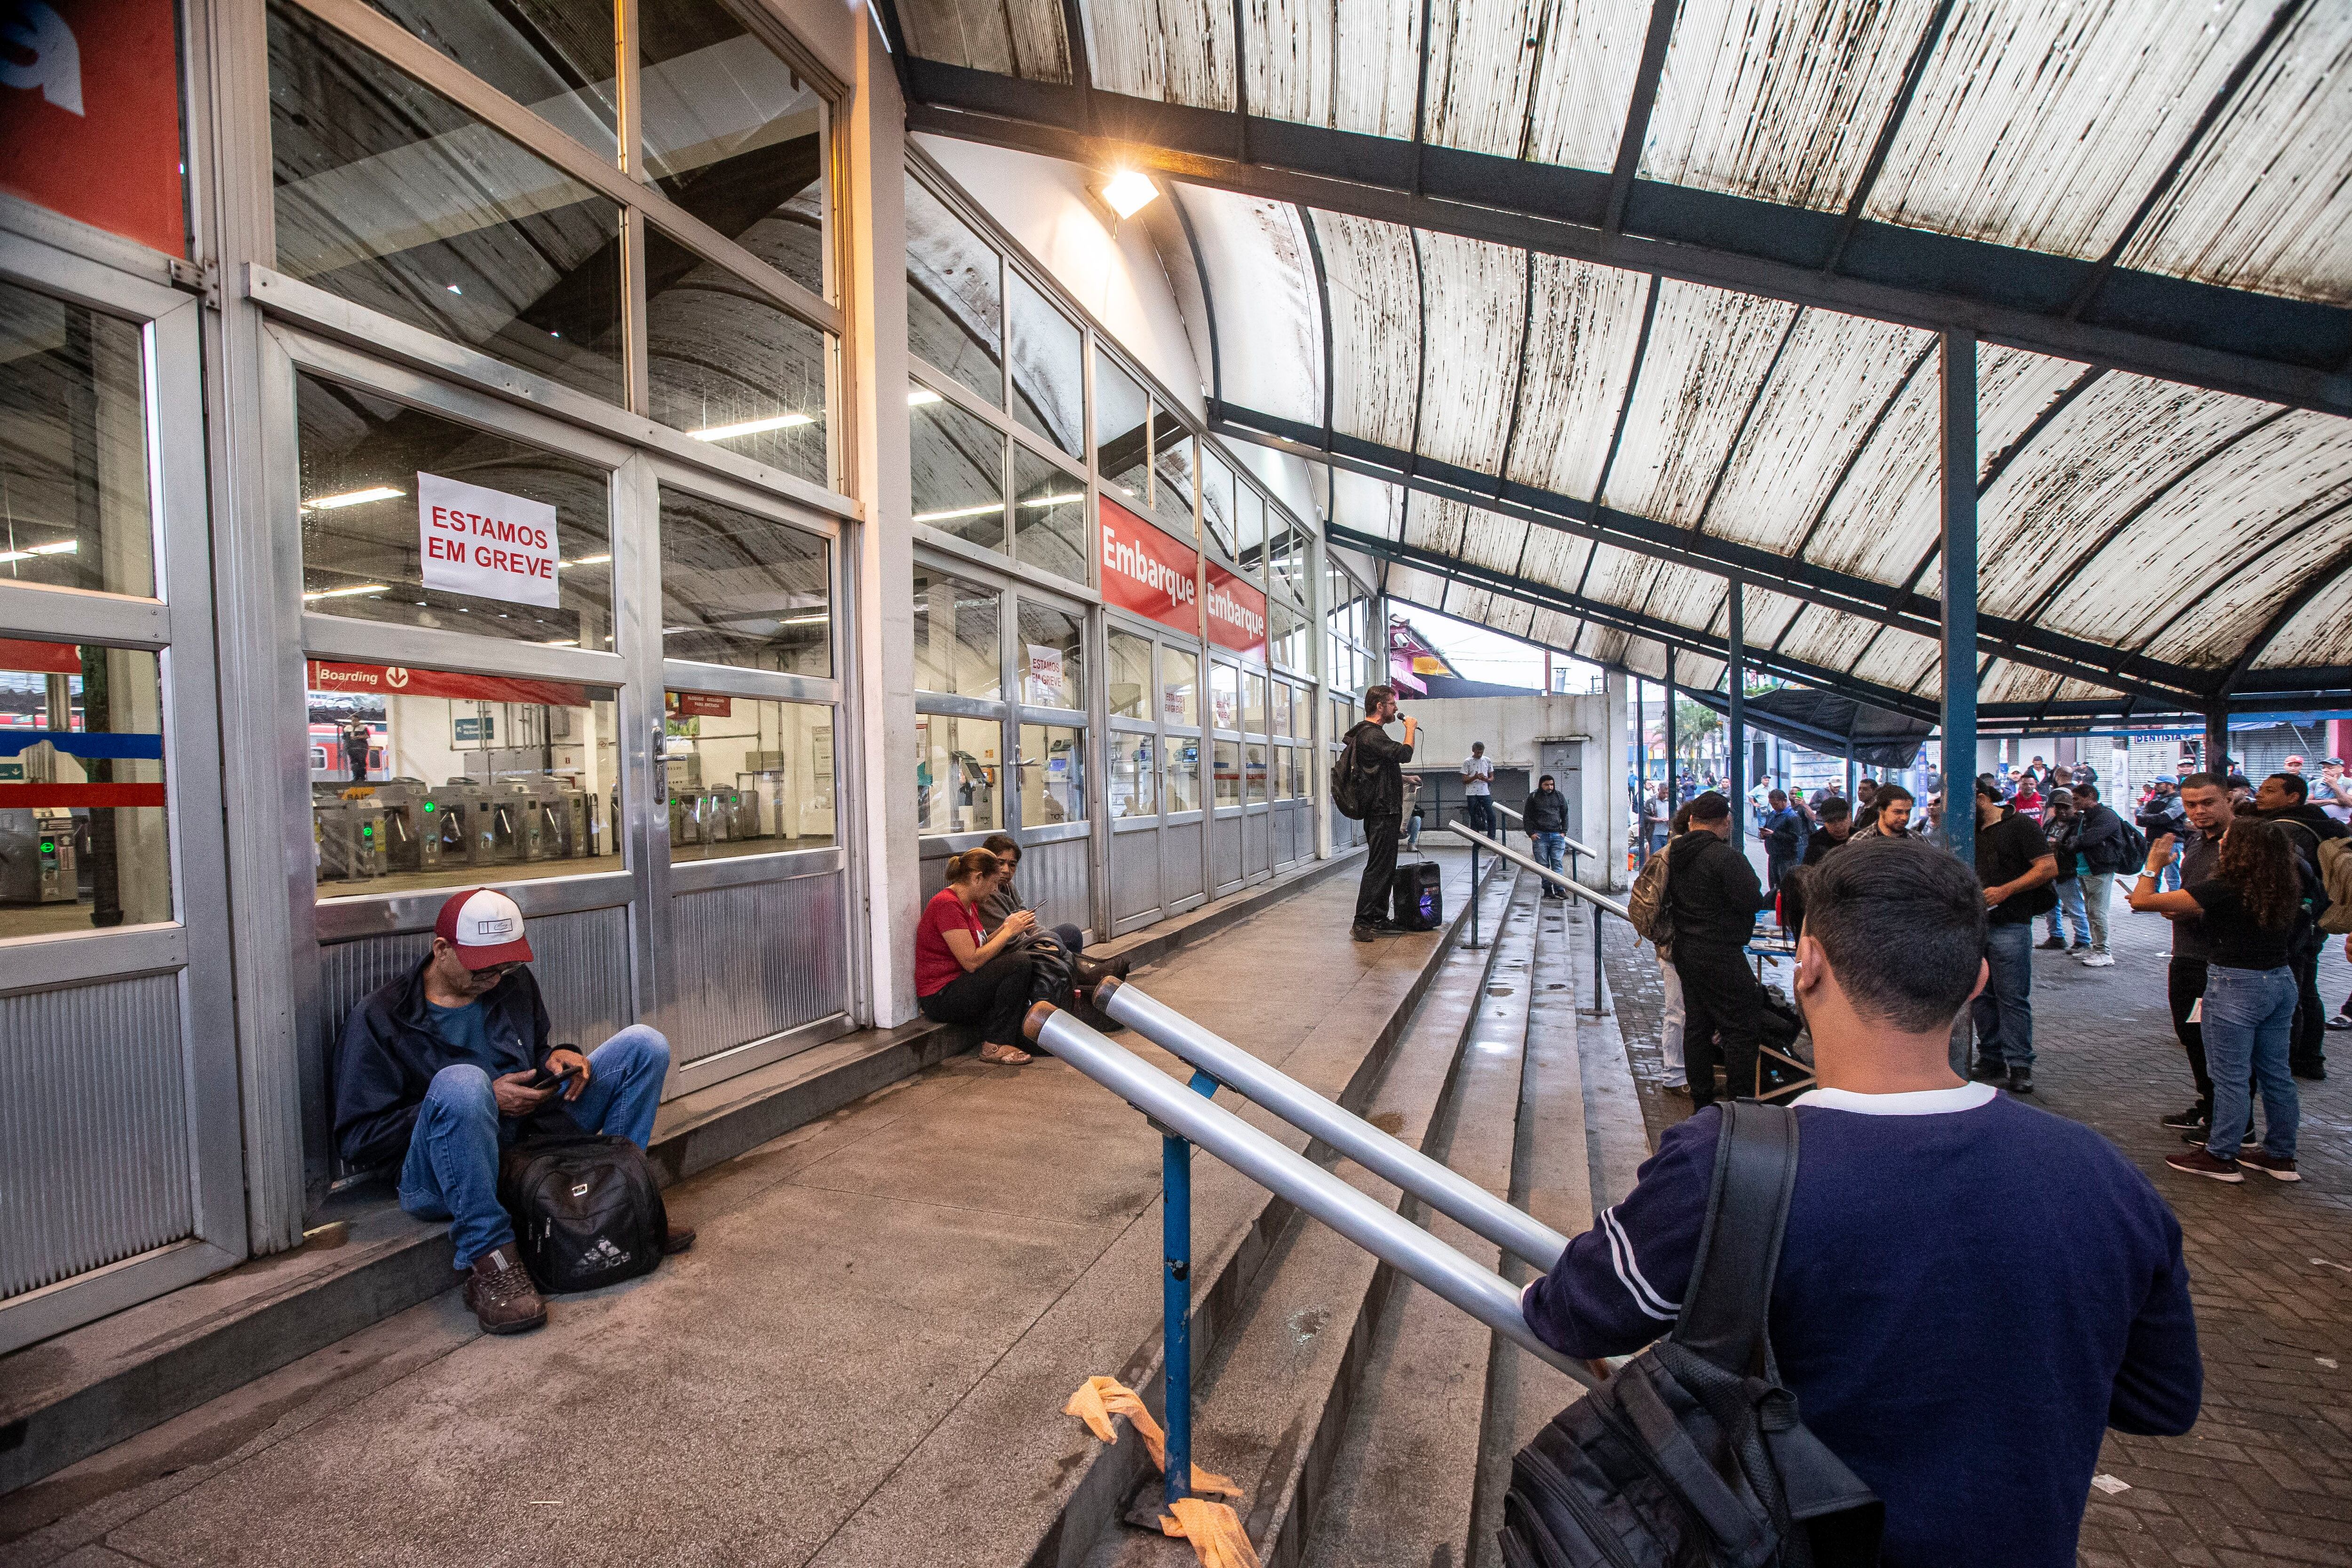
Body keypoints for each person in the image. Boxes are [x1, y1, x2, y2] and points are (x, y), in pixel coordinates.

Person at [1520, 836, 2201, 1565]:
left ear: (1807, 962)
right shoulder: (2101, 1174)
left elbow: (1573, 1310)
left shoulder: (1726, 1160)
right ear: (1975, 981)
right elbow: (2161, 1400)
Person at [334, 888, 687, 1335]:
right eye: (484, 967)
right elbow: (359, 1140)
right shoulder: (380, 1018)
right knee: (463, 1083)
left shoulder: (511, 984)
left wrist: (558, 1059)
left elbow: (533, 1054)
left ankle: (620, 1206)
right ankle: (492, 1261)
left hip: (530, 1144)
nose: (496, 978)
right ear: (442, 950)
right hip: (441, 1174)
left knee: (644, 1045)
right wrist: (485, 1099)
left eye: (507, 965)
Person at [2129, 820, 2304, 1183]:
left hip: (2235, 984)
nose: (2221, 844)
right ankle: (2280, 1154)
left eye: (2227, 841)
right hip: (2280, 980)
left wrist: (2154, 863)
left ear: (2241, 850)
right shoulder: (2284, 883)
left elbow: (2142, 900)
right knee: (2277, 1074)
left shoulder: (2225, 887)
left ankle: (2221, 1154)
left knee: (2230, 1076)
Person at [1666, 792, 1770, 1106]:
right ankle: (1740, 1104)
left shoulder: (1674, 854)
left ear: (1693, 821)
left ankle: (1702, 1101)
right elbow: (1752, 899)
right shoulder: (1726, 858)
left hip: (1686, 948)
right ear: (1726, 821)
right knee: (1739, 1028)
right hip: (1721, 952)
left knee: (1697, 1026)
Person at [2248, 770, 2340, 1081]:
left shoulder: (2285, 829)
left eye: (2270, 790)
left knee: (2293, 993)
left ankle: (2292, 1060)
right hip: (2317, 918)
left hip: (2293, 923)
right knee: (2306, 989)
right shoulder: (2319, 822)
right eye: (2261, 788)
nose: (2260, 794)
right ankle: (2309, 1058)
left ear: (2292, 798)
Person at [1968, 776, 2058, 1094]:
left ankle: (2019, 1063)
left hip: (2010, 923)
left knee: (2012, 996)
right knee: (1980, 995)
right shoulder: (1970, 832)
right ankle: (1991, 1057)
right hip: (1975, 925)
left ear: (1981, 799)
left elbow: (2047, 868)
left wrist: (2005, 890)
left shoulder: (2020, 826)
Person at [2154, 773, 2232, 1136]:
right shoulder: (2198, 844)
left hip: (2221, 961)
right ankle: (2209, 1107)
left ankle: (2230, 1123)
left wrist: (2192, 910)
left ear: (2229, 798)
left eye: (2207, 803)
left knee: (2218, 1043)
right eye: (2191, 805)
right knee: (2192, 1035)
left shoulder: (2242, 845)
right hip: (2186, 954)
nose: (2199, 811)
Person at [916, 847, 1039, 1066]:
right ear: (977, 878)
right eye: (993, 884)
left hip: (959, 983)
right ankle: (995, 1043)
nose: (994, 890)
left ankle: (1009, 1034)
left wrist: (1007, 928)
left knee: (1021, 958)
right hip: (940, 995)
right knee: (1018, 963)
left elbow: (980, 944)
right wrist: (1009, 932)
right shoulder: (947, 905)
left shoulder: (969, 904)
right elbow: (971, 961)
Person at [1348, 685, 1416, 943]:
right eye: (1392, 703)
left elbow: (1380, 769)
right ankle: (1362, 921)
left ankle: (1378, 917)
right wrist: (1409, 729)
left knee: (1386, 866)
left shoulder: (1373, 736)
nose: (1396, 708)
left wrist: (1405, 778)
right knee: (1378, 866)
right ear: (1380, 707)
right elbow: (1405, 754)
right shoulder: (1371, 735)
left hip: (1386, 809)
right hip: (1381, 811)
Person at [977, 834, 1084, 961]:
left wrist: (1046, 938)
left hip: (1025, 942)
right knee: (1057, 944)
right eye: (1000, 863)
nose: (1006, 870)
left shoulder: (1008, 886)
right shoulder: (984, 893)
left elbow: (1028, 921)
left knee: (1071, 932)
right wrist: (1045, 941)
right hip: (1009, 952)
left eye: (1012, 865)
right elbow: (1012, 940)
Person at [2071, 781, 2128, 967]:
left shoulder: (2106, 816)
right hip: (2086, 869)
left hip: (2099, 870)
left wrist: (2073, 842)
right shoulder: (2087, 816)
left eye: (2077, 799)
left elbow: (2089, 839)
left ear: (2090, 798)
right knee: (2091, 910)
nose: (2074, 802)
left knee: (2098, 911)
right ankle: (2096, 948)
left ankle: (2104, 952)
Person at [2036, 788, 2090, 954]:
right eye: (2059, 807)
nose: (2062, 811)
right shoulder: (2050, 823)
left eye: (2066, 807)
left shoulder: (2079, 824)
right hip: (2050, 869)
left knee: (2074, 906)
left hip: (2067, 871)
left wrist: (2062, 847)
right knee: (2050, 906)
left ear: (2074, 807)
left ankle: (2083, 940)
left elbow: (2078, 846)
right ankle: (2056, 937)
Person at [1521, 773, 1571, 899]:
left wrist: (1564, 832)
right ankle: (1548, 889)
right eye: (1547, 785)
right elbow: (1527, 817)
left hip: (1556, 835)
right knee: (1543, 864)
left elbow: (1565, 814)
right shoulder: (1533, 797)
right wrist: (1531, 833)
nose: (1550, 787)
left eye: (1552, 785)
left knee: (1557, 862)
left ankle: (1560, 889)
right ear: (1541, 785)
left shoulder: (1559, 796)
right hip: (1540, 836)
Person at [2138, 779, 2188, 891]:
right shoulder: (2154, 800)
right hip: (2153, 841)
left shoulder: (2178, 800)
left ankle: (2175, 903)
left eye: (2159, 784)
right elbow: (2139, 818)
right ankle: (2151, 900)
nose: (2155, 787)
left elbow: (2165, 818)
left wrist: (2149, 818)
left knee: (2172, 876)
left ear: (2170, 785)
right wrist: (2153, 818)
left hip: (2172, 842)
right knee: (2152, 874)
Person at [1757, 788, 1802, 891]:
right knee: (1773, 886)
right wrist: (1764, 835)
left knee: (1786, 886)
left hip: (1786, 857)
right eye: (1772, 804)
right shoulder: (1773, 815)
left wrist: (1774, 835)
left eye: (1776, 804)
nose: (1774, 807)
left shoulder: (1792, 817)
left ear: (1784, 801)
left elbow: (1794, 838)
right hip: (1773, 855)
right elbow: (1768, 828)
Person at [1801, 796, 1852, 864]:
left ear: (1850, 817)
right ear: (1824, 822)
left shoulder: (1862, 837)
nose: (1838, 826)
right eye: (1831, 821)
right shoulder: (1816, 842)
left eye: (1841, 820)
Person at [1460, 741, 1495, 836]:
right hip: (1472, 793)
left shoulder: (1487, 760)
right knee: (1474, 816)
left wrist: (1486, 779)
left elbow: (1492, 777)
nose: (1479, 755)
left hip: (1484, 792)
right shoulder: (1468, 762)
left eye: (1481, 753)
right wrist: (1475, 777)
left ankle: (1491, 837)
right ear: (1473, 751)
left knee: (1491, 815)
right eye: (1477, 753)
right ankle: (1475, 836)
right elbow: (1464, 780)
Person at [341, 716, 373, 782]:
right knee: (354, 762)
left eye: (356, 720)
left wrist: (359, 737)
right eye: (353, 720)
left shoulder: (363, 728)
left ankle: (362, 777)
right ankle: (356, 776)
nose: (355, 722)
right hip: (351, 748)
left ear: (359, 721)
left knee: (361, 762)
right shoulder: (347, 729)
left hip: (361, 748)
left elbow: (367, 736)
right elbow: (344, 738)